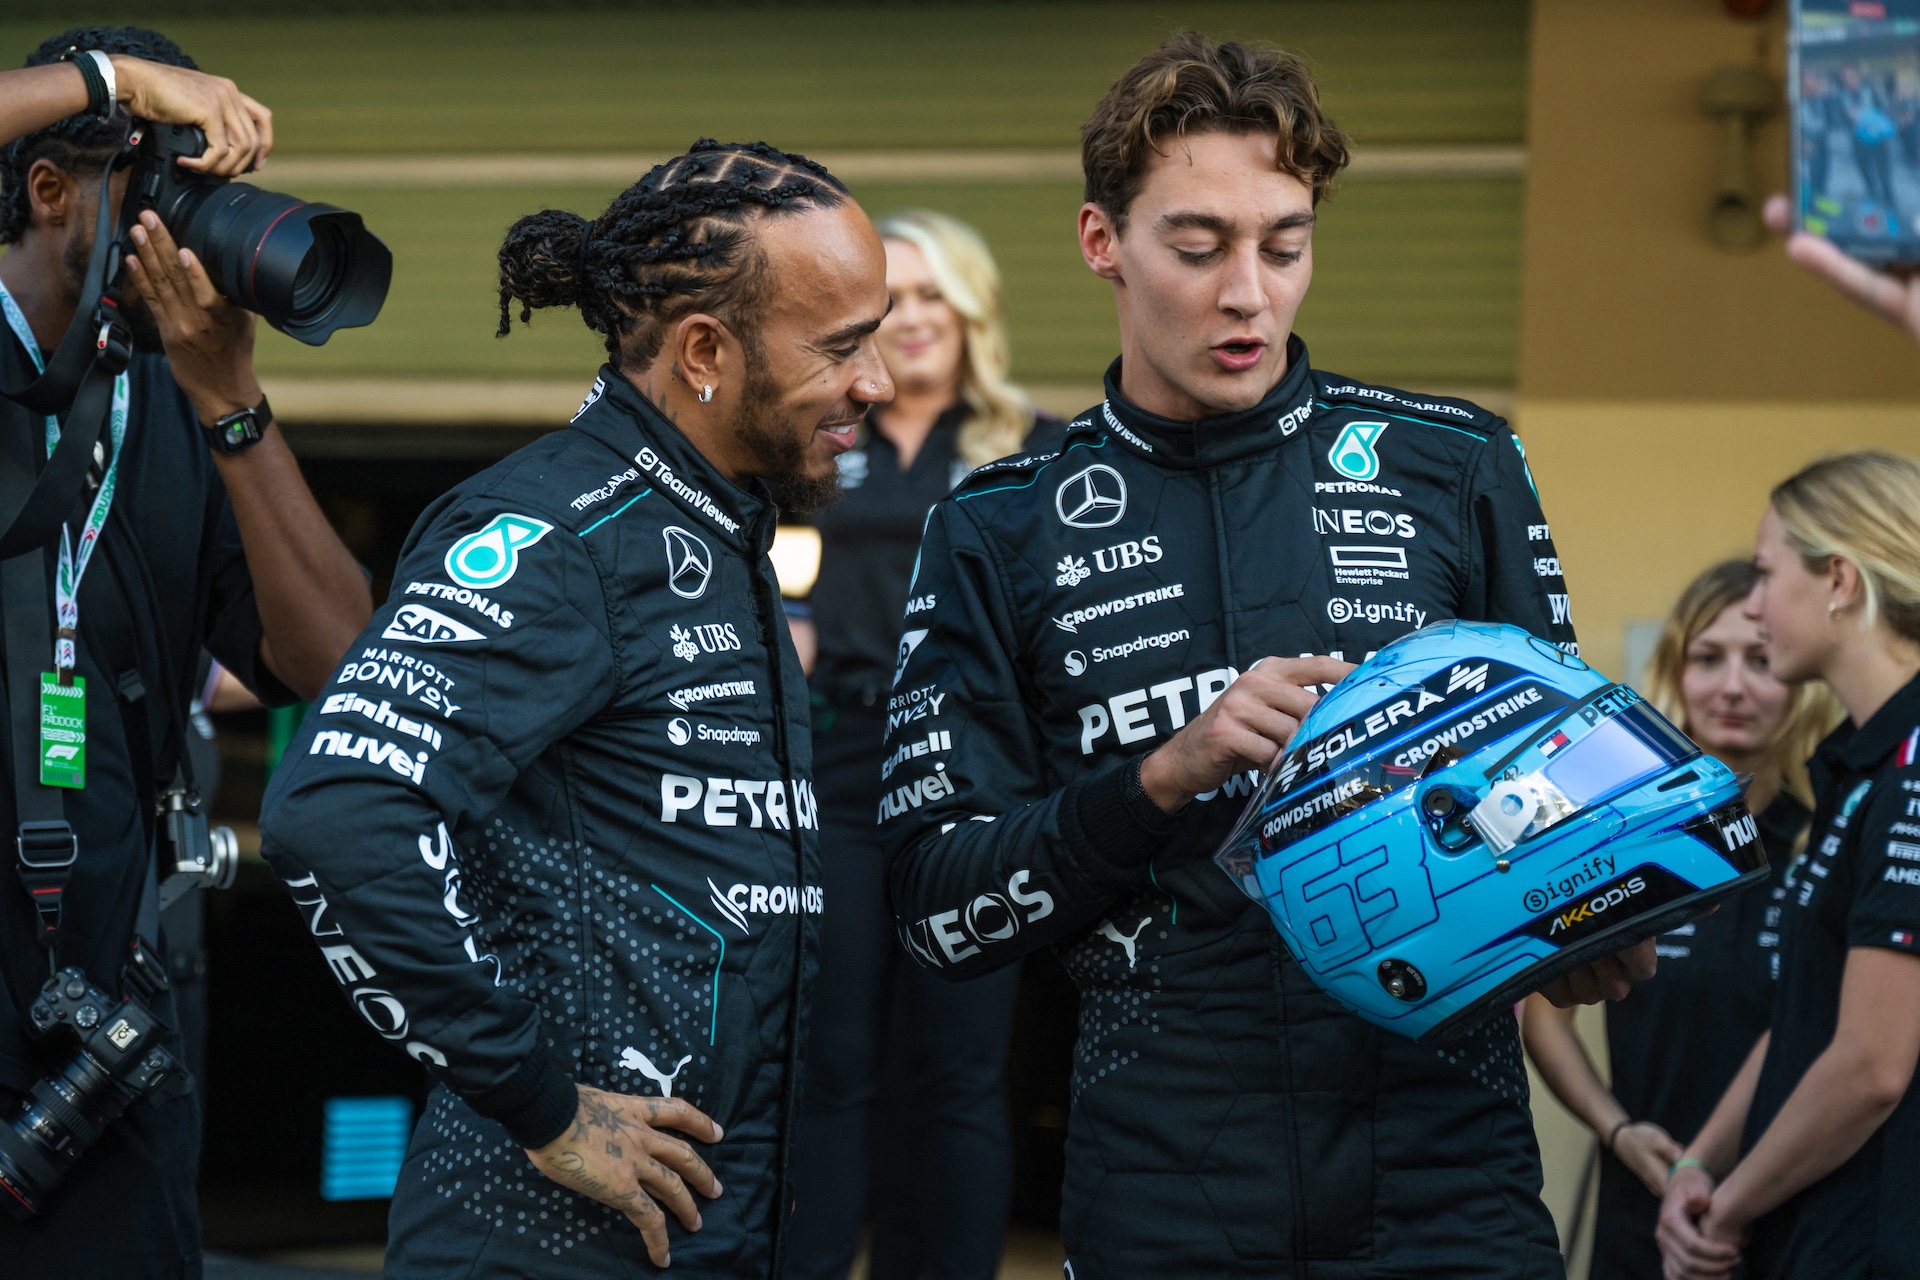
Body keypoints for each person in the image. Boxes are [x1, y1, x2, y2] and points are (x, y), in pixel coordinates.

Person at [877, 32, 1654, 1277]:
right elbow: (936, 908)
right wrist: (1156, 781)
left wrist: (1592, 911)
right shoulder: (996, 523)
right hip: (1169, 1174)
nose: (1249, 291)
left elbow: (1564, 785)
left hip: (1448, 1171)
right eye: (1198, 247)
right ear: (1101, 243)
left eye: (1284, 245)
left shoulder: (1452, 465)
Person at [258, 139, 893, 1277]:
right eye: (842, 346)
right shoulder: (562, 531)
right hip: (542, 1247)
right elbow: (342, 810)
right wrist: (541, 1104)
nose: (876, 381)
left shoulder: (720, 531)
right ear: (704, 350)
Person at [0, 25, 371, 1278]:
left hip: (105, 1004)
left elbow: (332, 657)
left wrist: (232, 402)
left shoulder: (169, 397)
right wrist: (121, 87)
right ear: (50, 189)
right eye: (159, 189)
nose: (187, 231)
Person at [783, 209, 1042, 1280]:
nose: (918, 318)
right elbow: (781, 598)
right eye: (897, 297)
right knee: (830, 1058)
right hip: (838, 767)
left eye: (939, 295)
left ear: (973, 311)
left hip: (975, 782)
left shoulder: (1036, 446)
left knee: (958, 1069)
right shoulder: (812, 433)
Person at [1520, 559, 1835, 1280]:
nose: (1732, 686)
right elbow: (1544, 1019)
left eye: (1760, 660)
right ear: (1673, 670)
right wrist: (1620, 1132)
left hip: (1792, 1208)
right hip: (1644, 1201)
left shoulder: (1826, 837)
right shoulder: (1622, 840)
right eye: (1707, 657)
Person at [1657, 453, 1920, 1280]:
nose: (1757, 606)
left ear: (1839, 579)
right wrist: (1699, 1164)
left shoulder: (1912, 766)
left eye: (1768, 576)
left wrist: (1726, 1211)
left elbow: (1872, 1065)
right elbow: (1808, 1019)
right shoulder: (1862, 764)